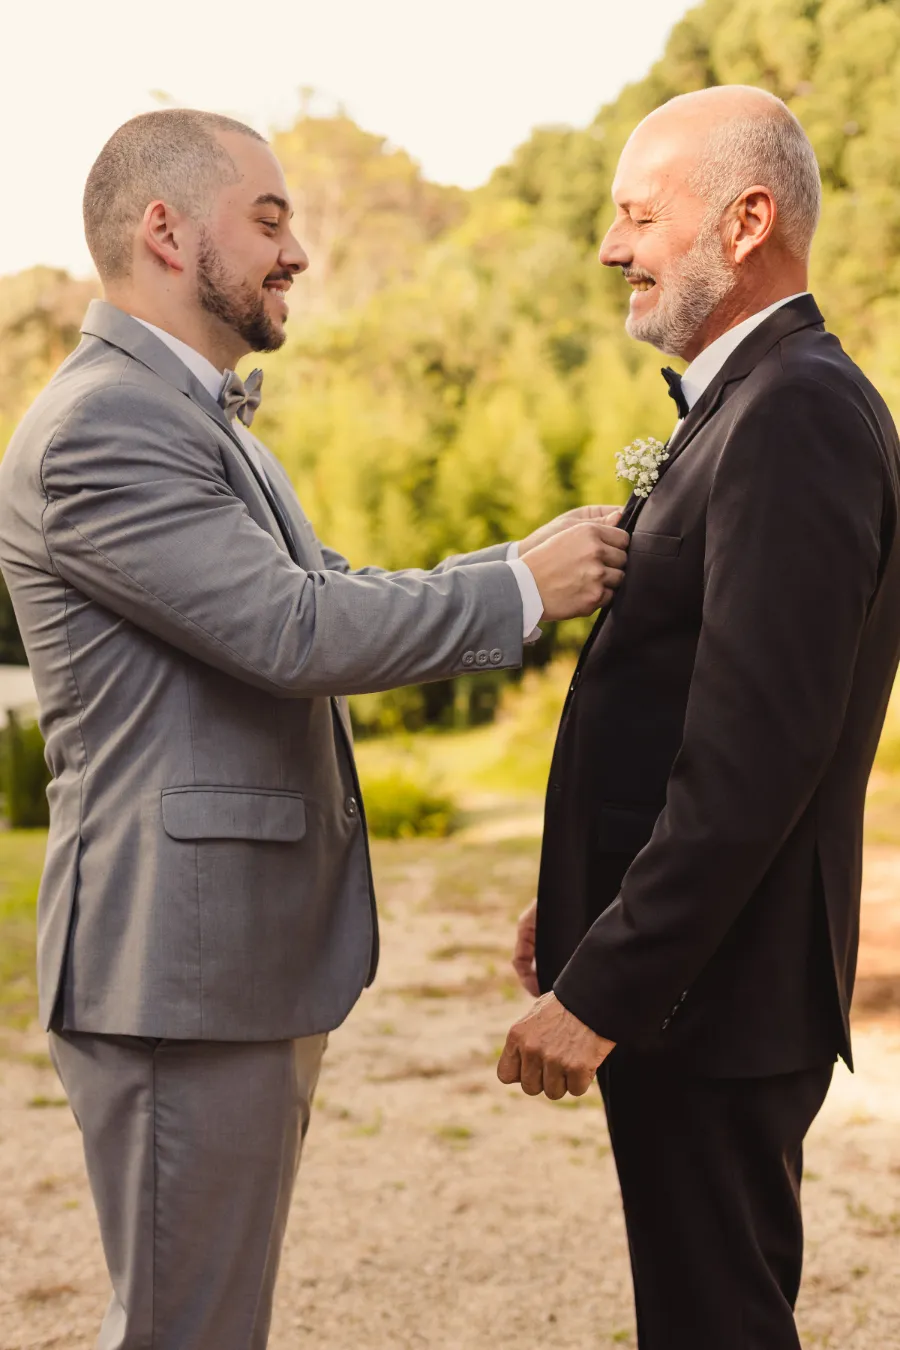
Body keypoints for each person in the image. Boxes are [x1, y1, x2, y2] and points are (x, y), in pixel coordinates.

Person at [0, 109, 630, 1350]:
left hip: (219, 965)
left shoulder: (193, 420)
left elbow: (333, 588)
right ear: (166, 230)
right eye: (270, 220)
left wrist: (518, 559)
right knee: (187, 1330)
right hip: (175, 968)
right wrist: (522, 591)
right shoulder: (102, 426)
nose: (297, 252)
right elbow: (294, 630)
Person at [498, 85, 900, 1349]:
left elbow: (756, 756)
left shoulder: (797, 412)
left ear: (746, 221)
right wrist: (583, 900)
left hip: (716, 996)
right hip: (703, 981)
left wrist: (612, 983)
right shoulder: (752, 401)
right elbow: (676, 707)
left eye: (638, 215)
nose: (610, 247)